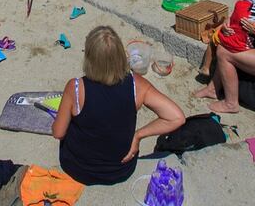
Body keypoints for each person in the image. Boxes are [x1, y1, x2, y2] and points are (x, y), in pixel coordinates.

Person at [53, 26, 186, 186]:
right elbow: (176, 117)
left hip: (77, 168)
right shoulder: (137, 85)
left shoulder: (75, 87)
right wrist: (138, 135)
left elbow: (58, 133)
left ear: (89, 58)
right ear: (121, 56)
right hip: (120, 169)